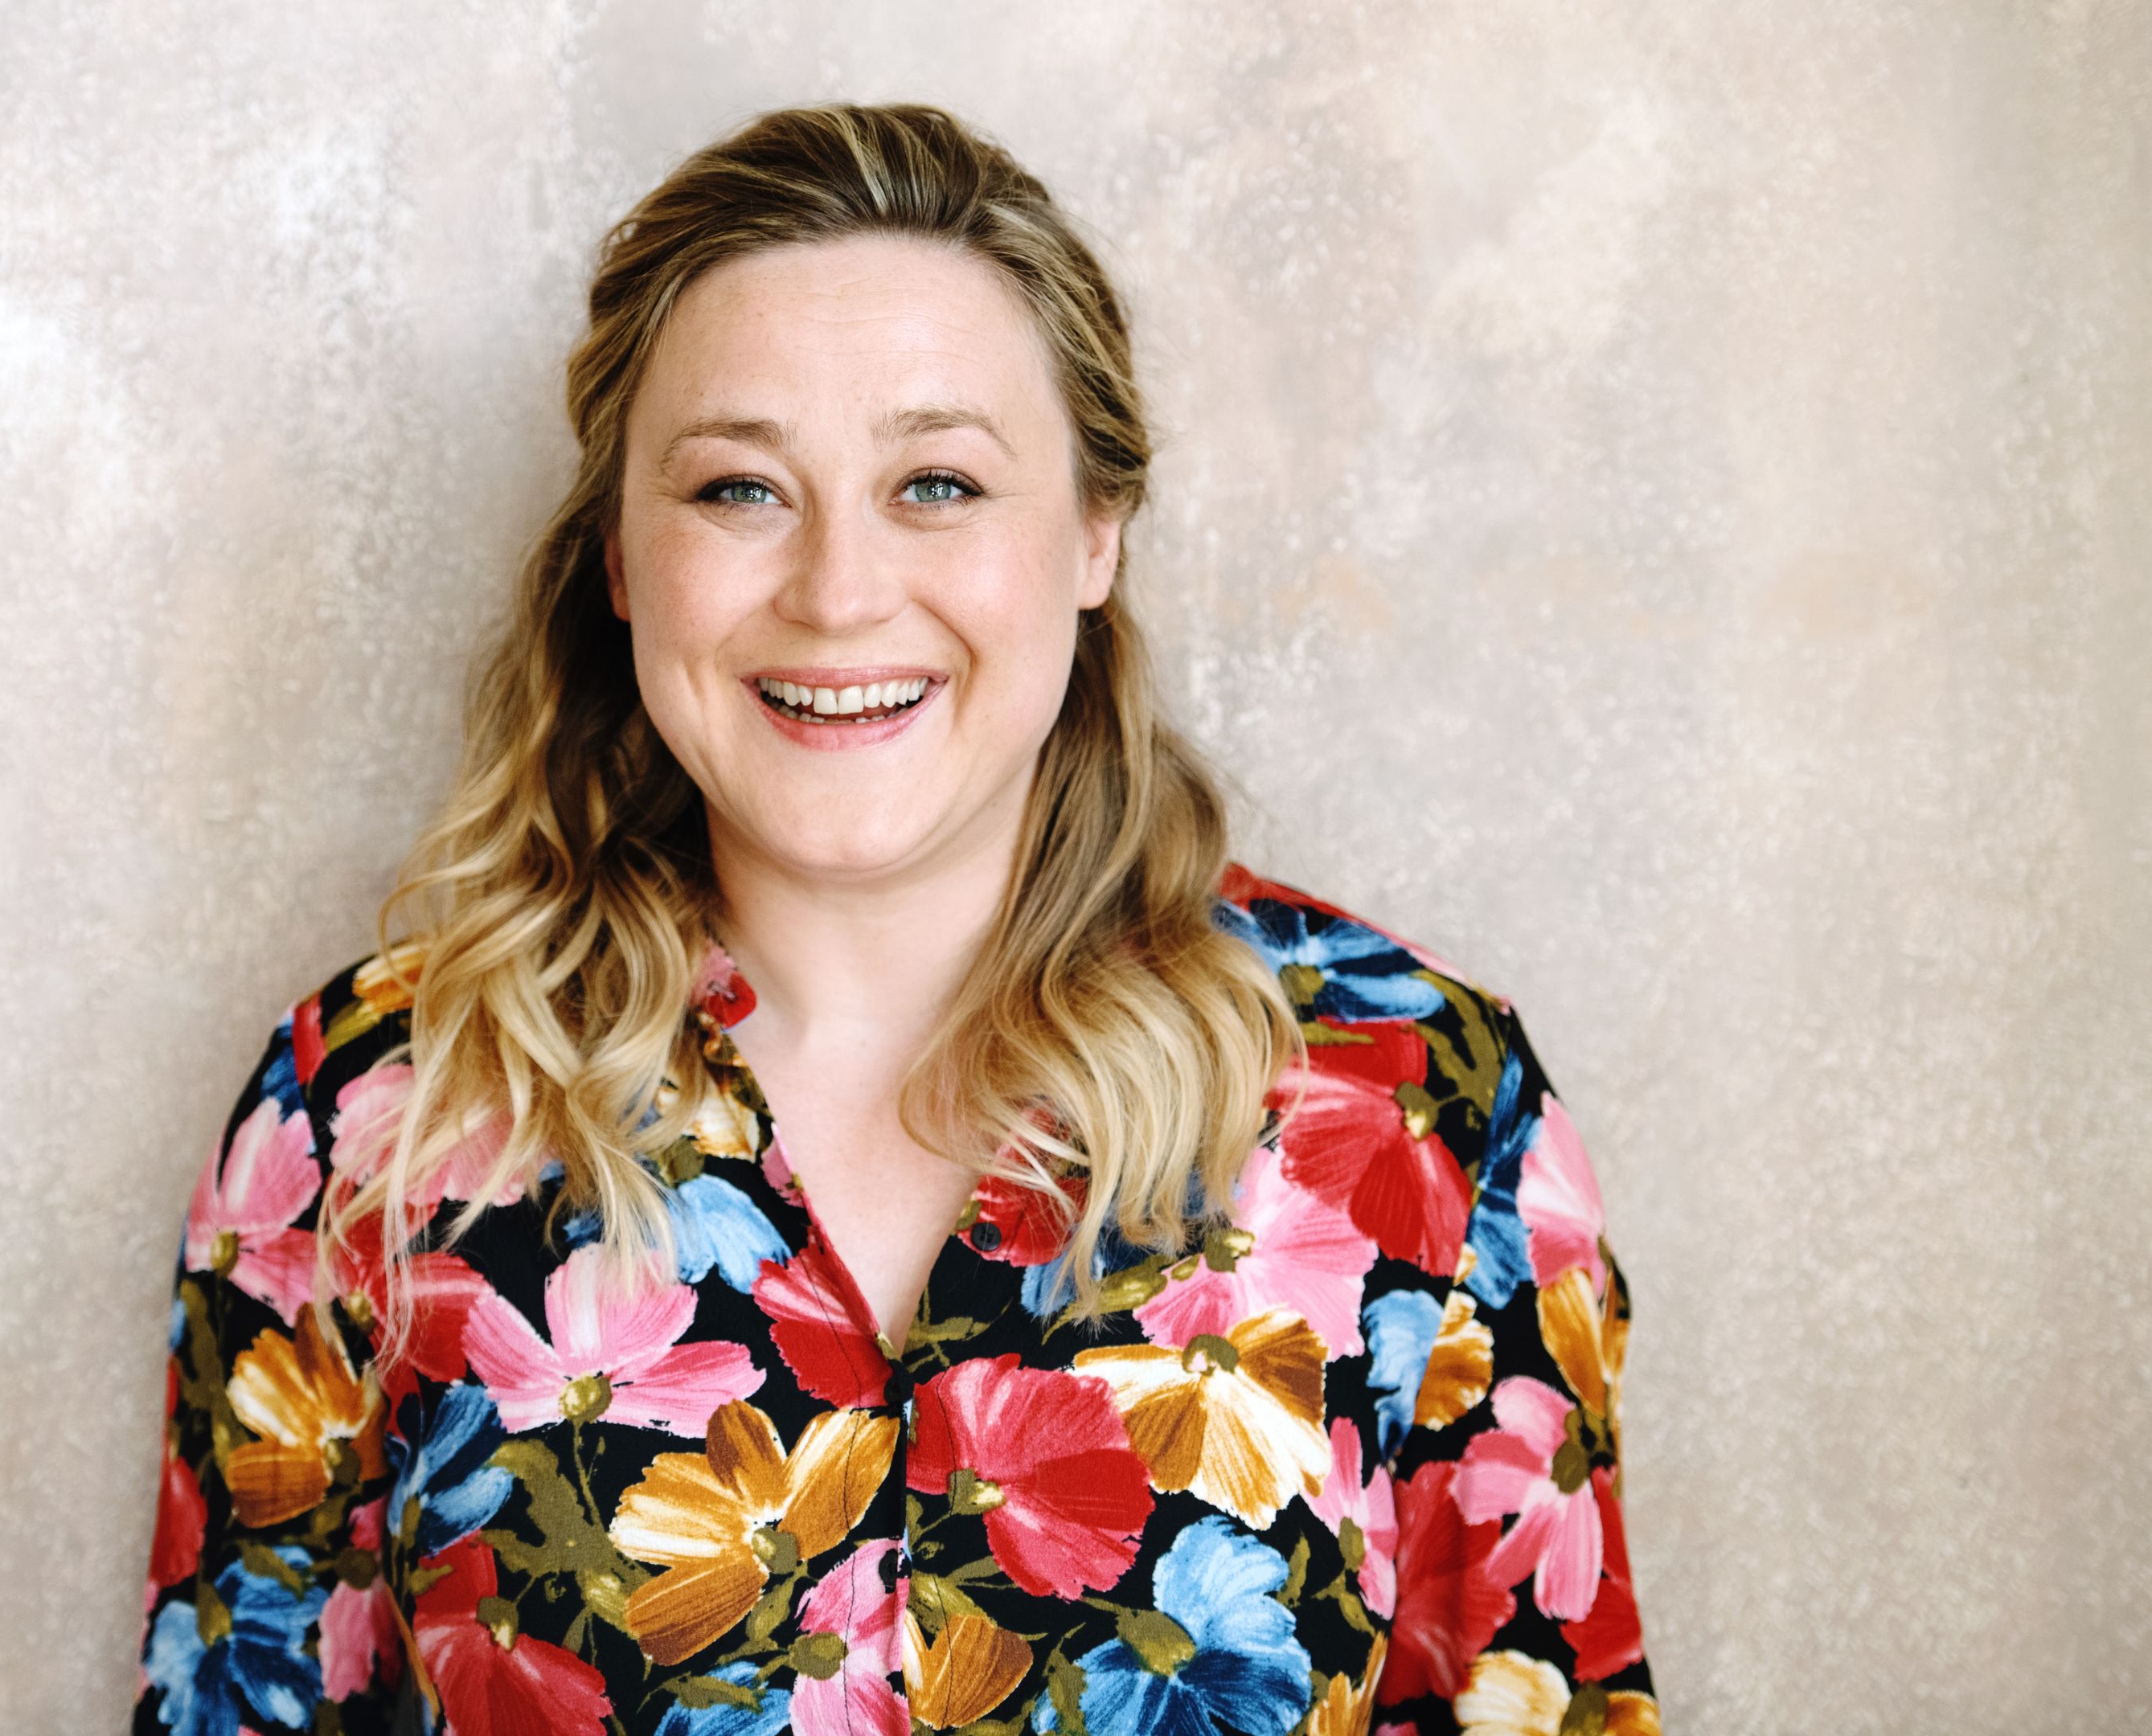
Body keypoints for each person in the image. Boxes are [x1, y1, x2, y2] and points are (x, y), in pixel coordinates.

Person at [131, 102, 1657, 1736]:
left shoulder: (1417, 1102)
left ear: (1093, 532)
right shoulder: (365, 1111)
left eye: (936, 483)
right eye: (738, 489)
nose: (838, 592)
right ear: (621, 560)